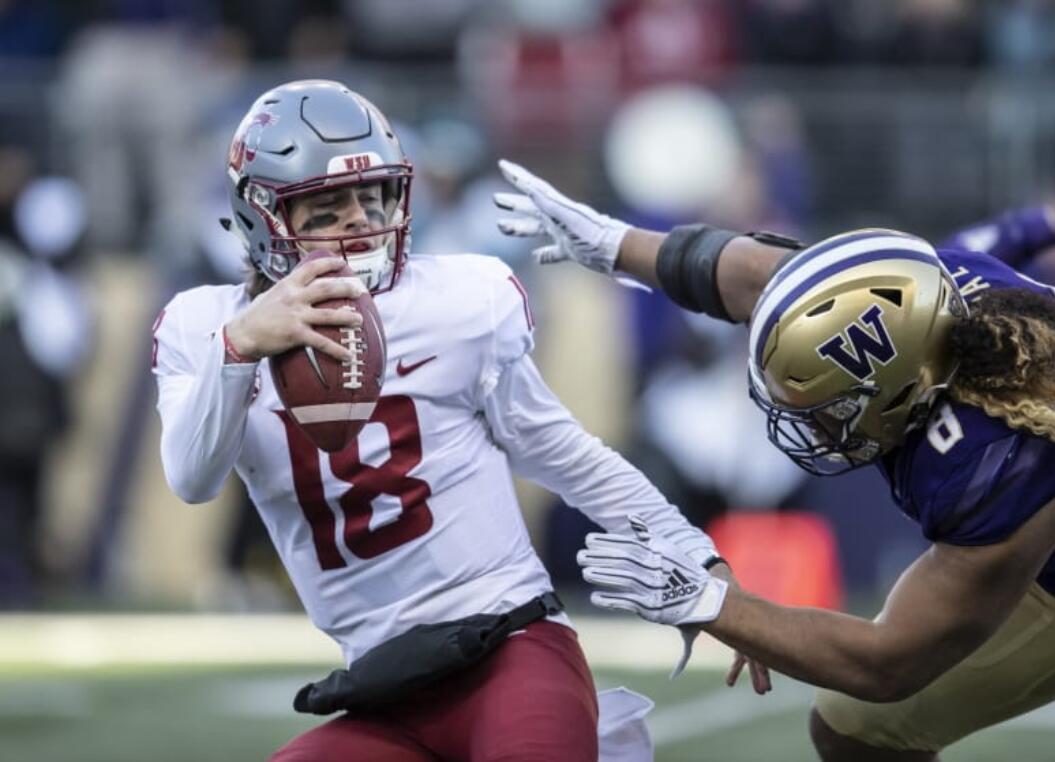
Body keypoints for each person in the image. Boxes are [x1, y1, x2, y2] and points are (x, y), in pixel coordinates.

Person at [494, 159, 1055, 759]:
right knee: (856, 736)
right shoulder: (914, 298)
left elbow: (886, 661)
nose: (806, 426)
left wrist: (716, 605)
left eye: (826, 410)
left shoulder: (1005, 463)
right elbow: (755, 274)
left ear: (904, 390)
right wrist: (617, 243)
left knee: (869, 699)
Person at [152, 79, 727, 762]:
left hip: (509, 648)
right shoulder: (205, 327)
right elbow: (191, 478)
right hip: (382, 690)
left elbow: (568, 456)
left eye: (373, 198)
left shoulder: (460, 302)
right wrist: (240, 347)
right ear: (262, 216)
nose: (360, 223)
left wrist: (700, 557)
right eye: (327, 208)